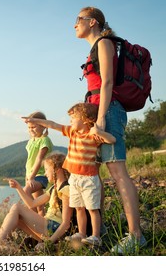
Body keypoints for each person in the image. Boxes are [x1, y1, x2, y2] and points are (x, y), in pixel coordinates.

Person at [74, 6, 147, 253]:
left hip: (108, 112)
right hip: (96, 112)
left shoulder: (104, 43)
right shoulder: (94, 48)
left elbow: (106, 82)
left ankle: (136, 236)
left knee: (118, 172)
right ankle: (99, 230)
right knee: (94, 175)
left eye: (78, 20)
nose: (74, 25)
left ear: (92, 22)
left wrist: (101, 118)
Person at [25, 102, 116, 246]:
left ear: (85, 120)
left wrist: (98, 132)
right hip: (74, 178)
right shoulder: (72, 132)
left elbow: (112, 140)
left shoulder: (92, 135)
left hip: (89, 179)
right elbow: (53, 124)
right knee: (79, 207)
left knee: (92, 208)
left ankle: (96, 236)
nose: (70, 121)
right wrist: (35, 121)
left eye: (73, 118)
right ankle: (81, 233)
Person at [0, 152, 73, 254]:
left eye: (47, 169)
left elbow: (65, 224)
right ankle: (4, 248)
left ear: (57, 170)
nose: (45, 173)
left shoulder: (65, 190)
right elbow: (32, 204)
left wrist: (49, 243)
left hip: (54, 229)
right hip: (48, 227)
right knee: (17, 219)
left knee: (17, 207)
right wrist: (18, 187)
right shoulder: (53, 189)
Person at [23, 111, 53, 216]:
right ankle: (41, 228)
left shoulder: (44, 140)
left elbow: (39, 159)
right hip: (30, 174)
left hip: (39, 175)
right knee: (40, 206)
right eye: (29, 127)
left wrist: (31, 177)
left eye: (33, 127)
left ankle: (34, 218)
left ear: (43, 126)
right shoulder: (31, 141)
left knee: (25, 191)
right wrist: (28, 176)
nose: (31, 130)